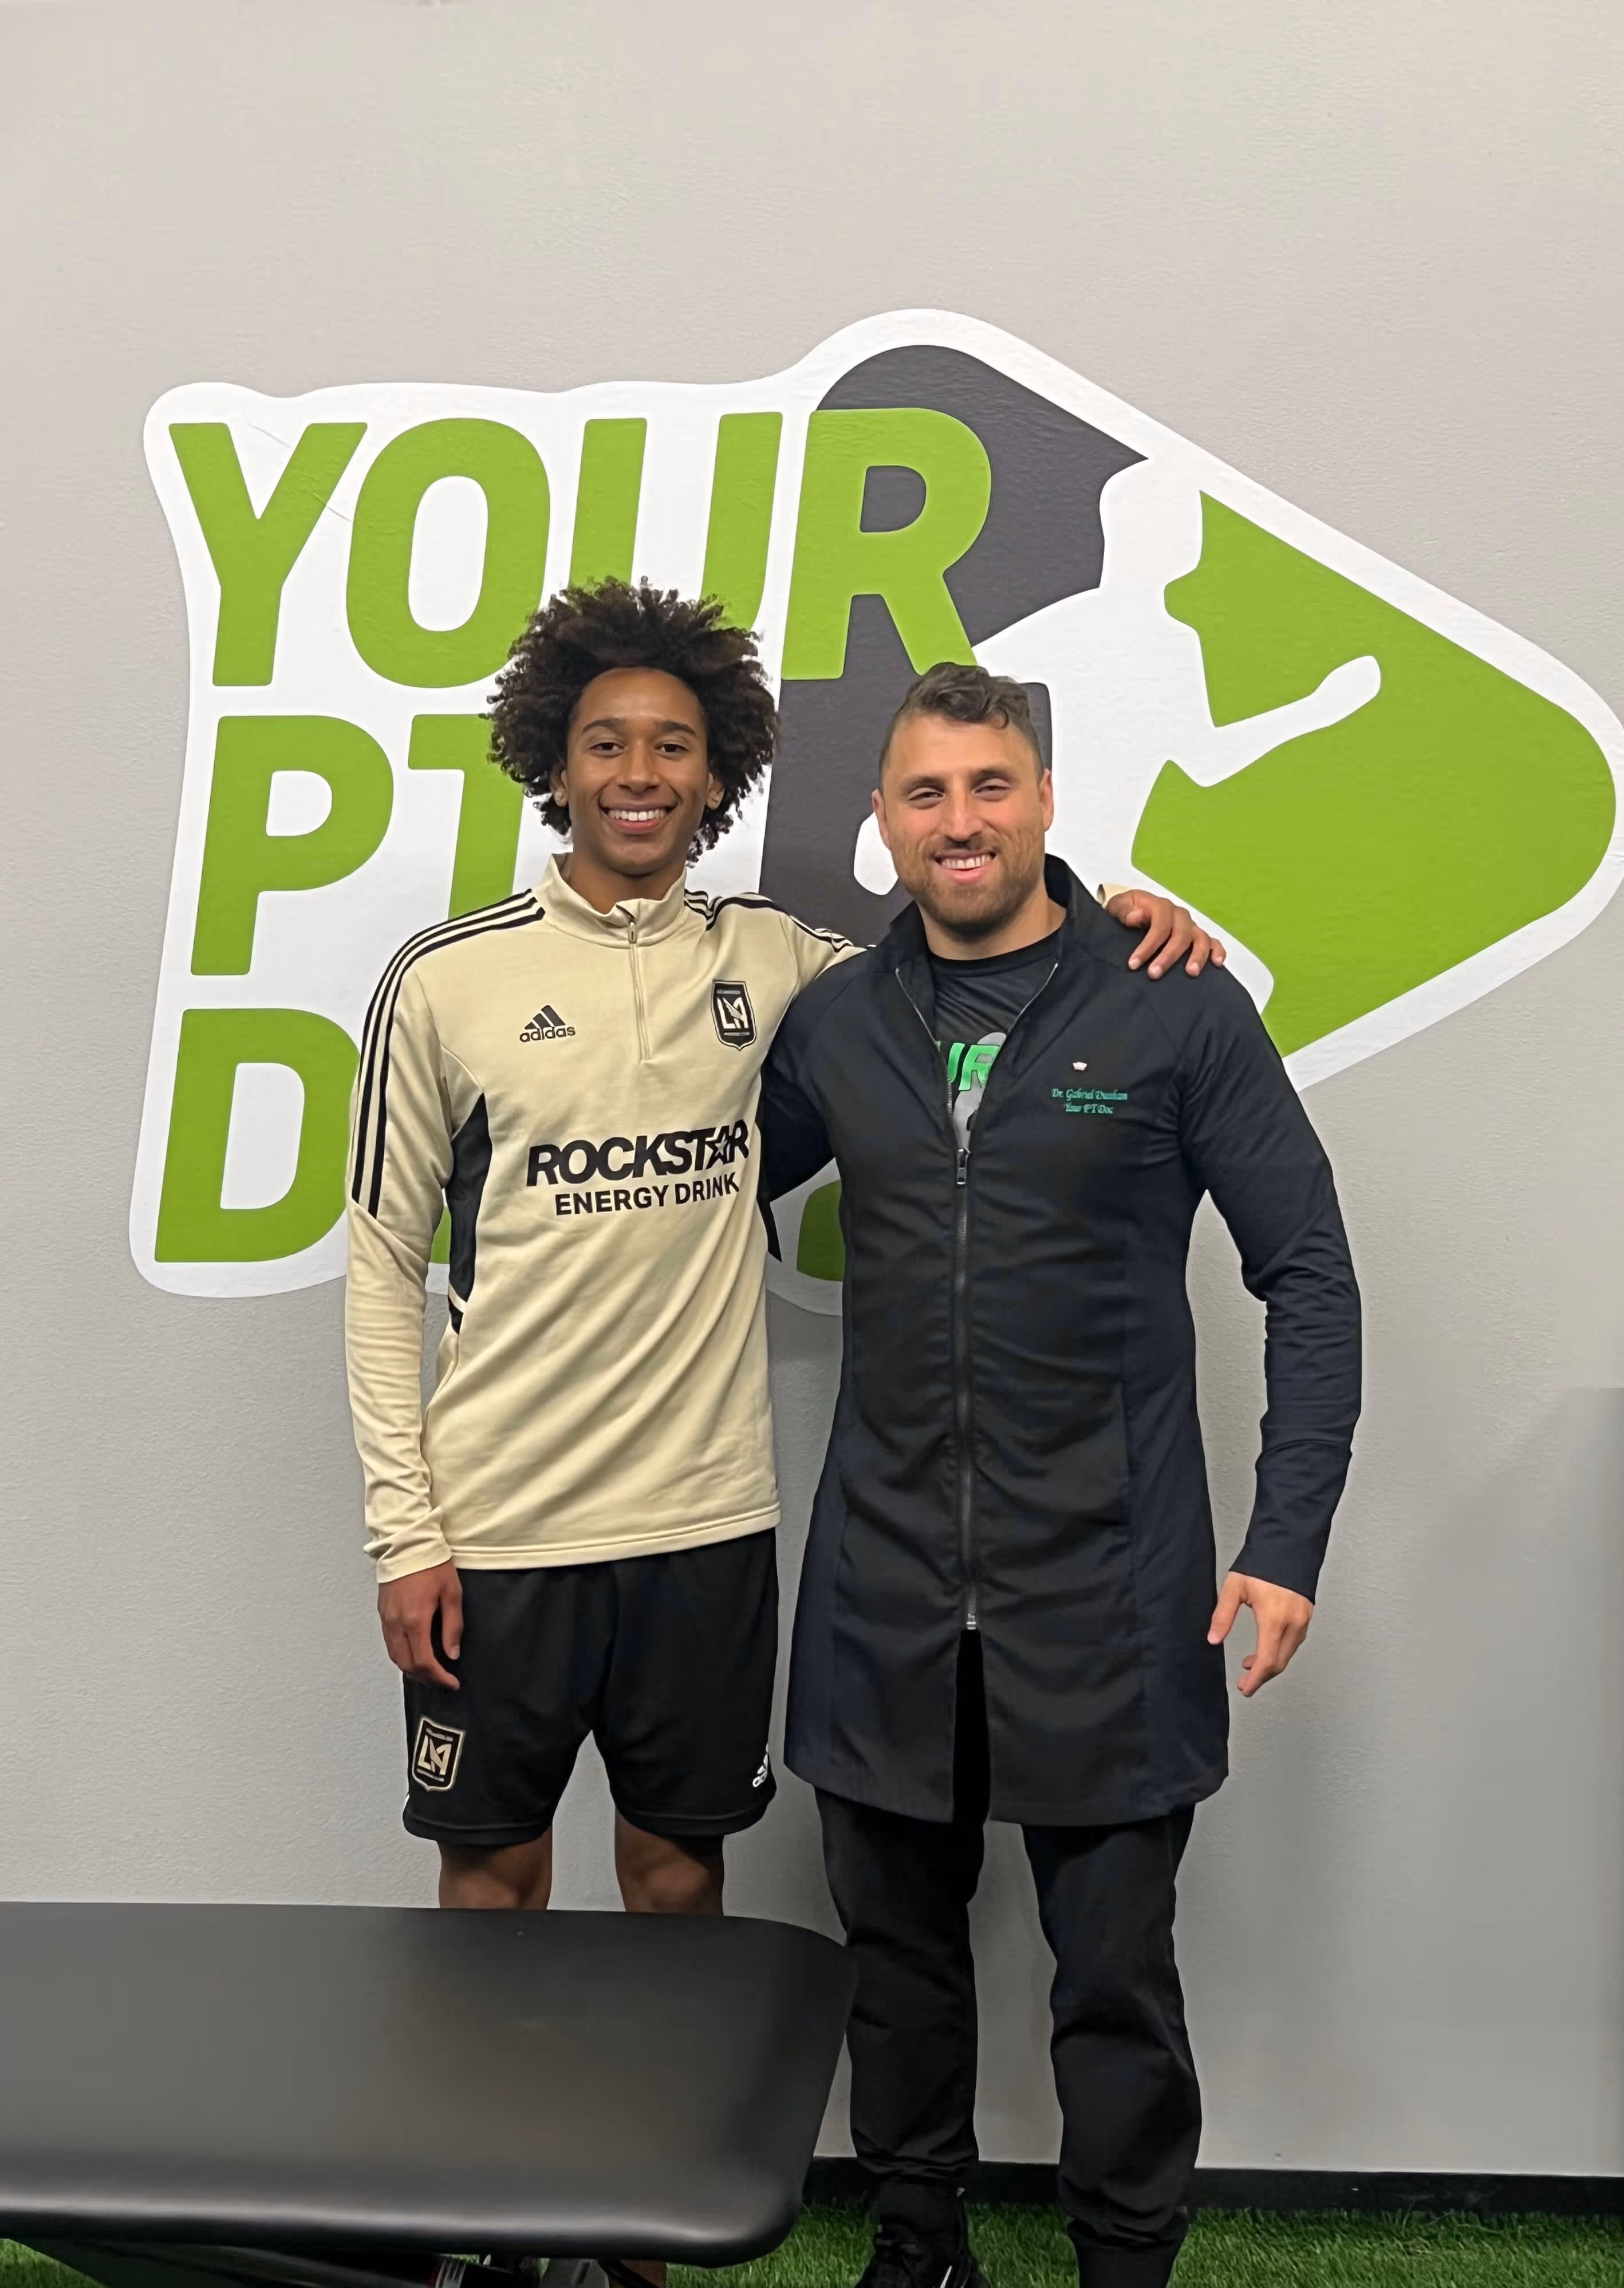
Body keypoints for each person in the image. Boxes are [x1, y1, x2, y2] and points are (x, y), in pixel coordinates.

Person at [343, 580, 1213, 1928]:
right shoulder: (445, 980)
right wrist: (406, 1536)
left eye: (673, 746)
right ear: (556, 769)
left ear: (718, 778)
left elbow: (964, 929)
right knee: (494, 1878)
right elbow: (384, 1264)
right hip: (499, 1528)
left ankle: (663, 2093)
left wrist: (1115, 913)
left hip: (706, 1523)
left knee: (679, 1875)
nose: (639, 773)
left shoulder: (784, 963)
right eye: (607, 744)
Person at [757, 663, 1363, 2288]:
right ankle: (920, 2253)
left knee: (1114, 1982)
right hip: (887, 1588)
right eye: (927, 793)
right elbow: (683, 1185)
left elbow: (1310, 1275)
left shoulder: (1174, 1003)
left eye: (991, 786)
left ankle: (1123, 2280)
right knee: (897, 1964)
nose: (960, 821)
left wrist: (1286, 1540)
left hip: (1107, 1586)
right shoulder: (837, 1026)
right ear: (883, 823)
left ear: (1043, 800)